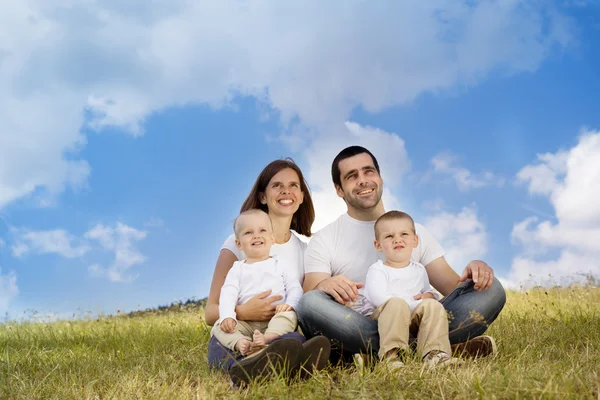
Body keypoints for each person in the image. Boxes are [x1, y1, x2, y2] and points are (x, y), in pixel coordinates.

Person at [296, 145, 506, 365]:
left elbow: (453, 288)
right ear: (339, 189)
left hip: (419, 317)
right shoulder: (325, 238)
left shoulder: (415, 232)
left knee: (492, 290)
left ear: (380, 178)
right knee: (310, 303)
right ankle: (432, 348)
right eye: (351, 176)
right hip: (361, 323)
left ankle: (379, 354)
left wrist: (476, 271)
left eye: (369, 171)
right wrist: (324, 285)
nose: (363, 180)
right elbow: (309, 301)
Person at [206, 159, 330, 386]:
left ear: (302, 196)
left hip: (275, 332)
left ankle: (276, 364)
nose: (286, 191)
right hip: (240, 330)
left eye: (293, 185)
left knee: (294, 340)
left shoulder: (306, 251)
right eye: (277, 185)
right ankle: (247, 367)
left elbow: (301, 303)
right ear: (263, 196)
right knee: (219, 342)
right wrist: (243, 311)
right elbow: (210, 313)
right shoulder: (238, 244)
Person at [362, 210, 461, 370]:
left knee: (433, 306)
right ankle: (391, 356)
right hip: (384, 318)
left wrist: (430, 296)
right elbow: (378, 298)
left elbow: (427, 291)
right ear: (378, 245)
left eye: (404, 234)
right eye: (389, 236)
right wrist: (413, 303)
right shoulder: (378, 270)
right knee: (395, 304)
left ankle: (435, 354)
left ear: (415, 240)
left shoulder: (419, 269)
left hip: (412, 318)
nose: (397, 240)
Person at [212, 209, 303, 355]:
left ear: (272, 238)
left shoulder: (282, 264)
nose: (256, 236)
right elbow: (228, 294)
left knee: (289, 316)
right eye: (248, 232)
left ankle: (267, 339)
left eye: (262, 230)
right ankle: (241, 343)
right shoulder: (237, 269)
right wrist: (228, 316)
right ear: (239, 244)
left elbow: (295, 288)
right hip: (246, 323)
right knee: (218, 326)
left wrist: (289, 304)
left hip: (275, 318)